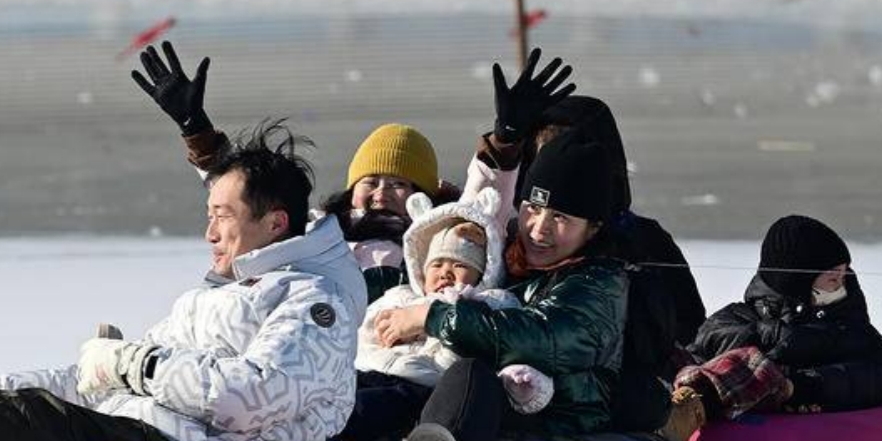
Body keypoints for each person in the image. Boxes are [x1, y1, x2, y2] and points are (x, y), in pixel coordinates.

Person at [0, 125, 367, 441]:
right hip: (141, 416)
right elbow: (96, 377)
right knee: (15, 398)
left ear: (274, 223)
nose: (209, 232)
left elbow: (252, 397)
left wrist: (135, 364)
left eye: (222, 216)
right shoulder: (216, 296)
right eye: (208, 214)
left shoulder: (313, 301)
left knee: (39, 419)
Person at [132, 41, 575, 304]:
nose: (382, 193)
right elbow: (246, 199)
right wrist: (196, 130)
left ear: (422, 195)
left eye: (399, 184)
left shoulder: (438, 238)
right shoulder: (321, 233)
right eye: (371, 182)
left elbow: (483, 205)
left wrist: (506, 138)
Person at [371, 137, 627, 441]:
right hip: (481, 409)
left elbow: (542, 338)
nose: (538, 229)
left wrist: (432, 316)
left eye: (560, 218)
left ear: (593, 228)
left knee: (471, 375)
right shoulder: (507, 258)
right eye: (533, 208)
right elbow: (426, 268)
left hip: (550, 419)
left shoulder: (598, 285)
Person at [461, 69, 696, 432]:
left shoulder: (635, 245)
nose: (558, 165)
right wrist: (504, 141)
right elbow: (467, 228)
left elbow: (688, 325)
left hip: (605, 411)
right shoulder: (514, 236)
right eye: (542, 153)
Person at [342, 186, 553, 441]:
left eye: (460, 265)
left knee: (368, 408)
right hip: (374, 369)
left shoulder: (490, 303)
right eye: (437, 264)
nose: (445, 273)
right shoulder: (401, 295)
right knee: (341, 391)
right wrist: (382, 331)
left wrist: (526, 382)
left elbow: (502, 343)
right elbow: (364, 329)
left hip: (423, 384)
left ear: (484, 272)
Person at [661, 213, 882, 441]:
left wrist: (800, 386)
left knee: (765, 371)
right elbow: (704, 350)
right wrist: (774, 339)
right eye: (833, 278)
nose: (842, 285)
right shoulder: (734, 319)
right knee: (745, 361)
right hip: (738, 424)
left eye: (844, 275)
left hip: (810, 426)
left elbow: (878, 370)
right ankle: (680, 415)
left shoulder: (847, 323)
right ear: (796, 282)